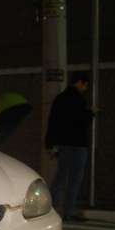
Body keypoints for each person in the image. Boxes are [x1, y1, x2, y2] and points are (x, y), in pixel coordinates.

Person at [44, 72, 94, 221]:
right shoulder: (80, 100)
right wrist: (91, 113)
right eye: (85, 85)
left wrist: (50, 143)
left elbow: (53, 121)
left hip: (63, 143)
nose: (86, 88)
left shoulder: (60, 98)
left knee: (60, 176)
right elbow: (82, 122)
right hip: (78, 143)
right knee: (74, 179)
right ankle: (68, 212)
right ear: (80, 83)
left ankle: (49, 212)